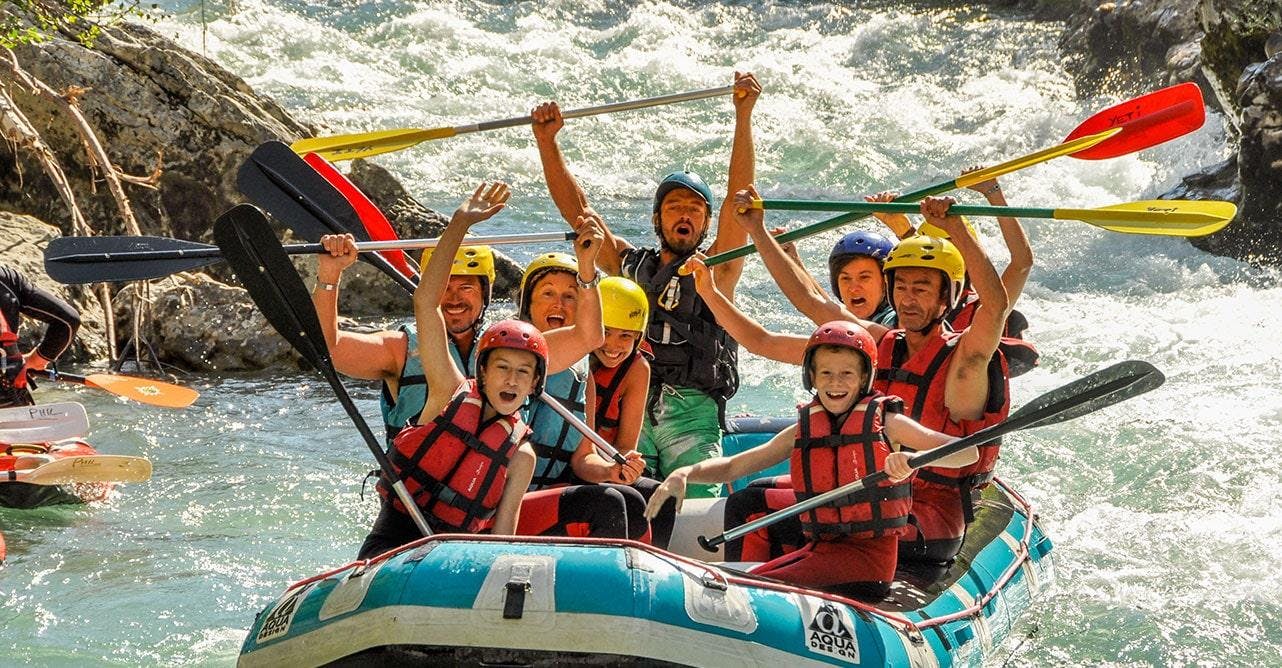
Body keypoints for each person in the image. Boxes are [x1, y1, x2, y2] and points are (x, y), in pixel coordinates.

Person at [531, 71, 762, 497]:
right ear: (657, 218)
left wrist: (743, 114)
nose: (684, 215)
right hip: (629, 404)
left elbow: (739, 197)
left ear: (706, 222)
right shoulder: (628, 266)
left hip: (692, 409)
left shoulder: (717, 269)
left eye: (695, 209)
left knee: (694, 500)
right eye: (674, 207)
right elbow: (580, 214)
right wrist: (547, 142)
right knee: (631, 499)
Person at [645, 321, 977, 600]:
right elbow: (736, 466)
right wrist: (686, 473)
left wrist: (913, 458)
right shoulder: (805, 427)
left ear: (865, 378)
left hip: (867, 564)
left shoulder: (889, 423)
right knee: (736, 570)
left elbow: (968, 452)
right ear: (811, 378)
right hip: (820, 549)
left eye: (847, 373)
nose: (835, 382)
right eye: (826, 373)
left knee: (744, 587)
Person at [358, 183, 539, 559]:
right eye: (502, 367)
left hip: (451, 560)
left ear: (535, 384)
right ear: (482, 372)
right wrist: (460, 223)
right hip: (392, 543)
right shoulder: (447, 391)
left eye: (523, 372)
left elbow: (503, 536)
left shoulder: (522, 455)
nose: (511, 379)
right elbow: (426, 302)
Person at [873, 198, 1012, 570]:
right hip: (889, 495)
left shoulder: (966, 359)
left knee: (834, 524)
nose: (908, 299)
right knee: (754, 502)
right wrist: (759, 233)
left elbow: (996, 306)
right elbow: (812, 306)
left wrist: (956, 228)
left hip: (935, 516)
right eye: (901, 287)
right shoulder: (885, 343)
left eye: (921, 289)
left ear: (946, 297)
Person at [507, 243, 653, 541]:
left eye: (570, 296)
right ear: (527, 303)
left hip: (549, 488)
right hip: (502, 503)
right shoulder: (506, 354)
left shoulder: (582, 374)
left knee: (643, 499)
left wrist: (611, 471)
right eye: (548, 293)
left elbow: (583, 457)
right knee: (607, 504)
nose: (559, 305)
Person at [0, 264, 80, 408]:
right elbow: (68, 320)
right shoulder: (8, 280)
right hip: (10, 394)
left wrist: (33, 360)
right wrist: (37, 360)